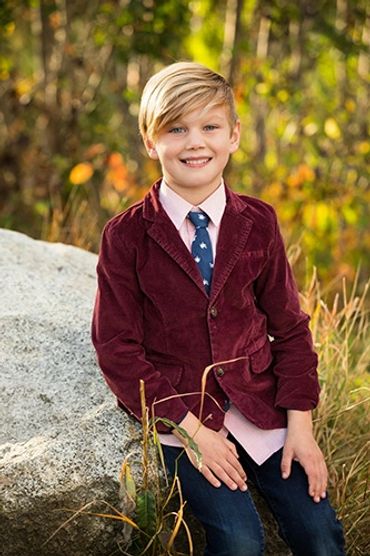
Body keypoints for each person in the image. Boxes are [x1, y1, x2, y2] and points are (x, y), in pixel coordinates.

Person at [92, 61, 345, 556]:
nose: (195, 143)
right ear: (150, 141)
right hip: (182, 419)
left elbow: (290, 331)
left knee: (320, 534)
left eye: (210, 127)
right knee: (239, 540)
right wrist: (191, 433)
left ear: (233, 136)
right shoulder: (125, 236)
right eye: (176, 129)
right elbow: (116, 348)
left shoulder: (259, 221)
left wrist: (302, 427)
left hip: (263, 409)